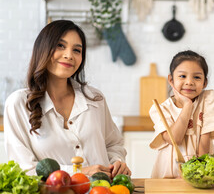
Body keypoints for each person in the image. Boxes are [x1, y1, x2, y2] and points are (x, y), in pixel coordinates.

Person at [4, 20, 131, 178]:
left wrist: (117, 162)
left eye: (77, 50)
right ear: (42, 49)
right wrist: (79, 172)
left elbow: (113, 144)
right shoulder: (19, 104)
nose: (69, 55)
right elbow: (24, 168)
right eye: (60, 46)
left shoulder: (95, 99)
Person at [149, 50, 214, 178]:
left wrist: (200, 173)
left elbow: (204, 144)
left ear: (204, 83)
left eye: (197, 77)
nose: (189, 82)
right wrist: (187, 105)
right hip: (168, 174)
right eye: (182, 76)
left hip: (199, 170)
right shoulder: (160, 109)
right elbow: (174, 139)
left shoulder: (209, 100)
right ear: (171, 79)